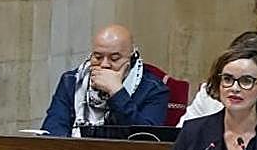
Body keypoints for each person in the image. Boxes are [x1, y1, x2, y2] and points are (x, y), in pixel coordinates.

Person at [40, 24, 170, 135]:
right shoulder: (71, 81)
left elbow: (146, 138)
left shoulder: (153, 89)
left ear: (131, 58)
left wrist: (117, 93)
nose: (104, 65)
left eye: (114, 58)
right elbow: (53, 130)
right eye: (97, 57)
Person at [179, 31, 257, 125]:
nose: (235, 88)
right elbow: (180, 136)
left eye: (246, 80)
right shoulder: (207, 94)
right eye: (227, 79)